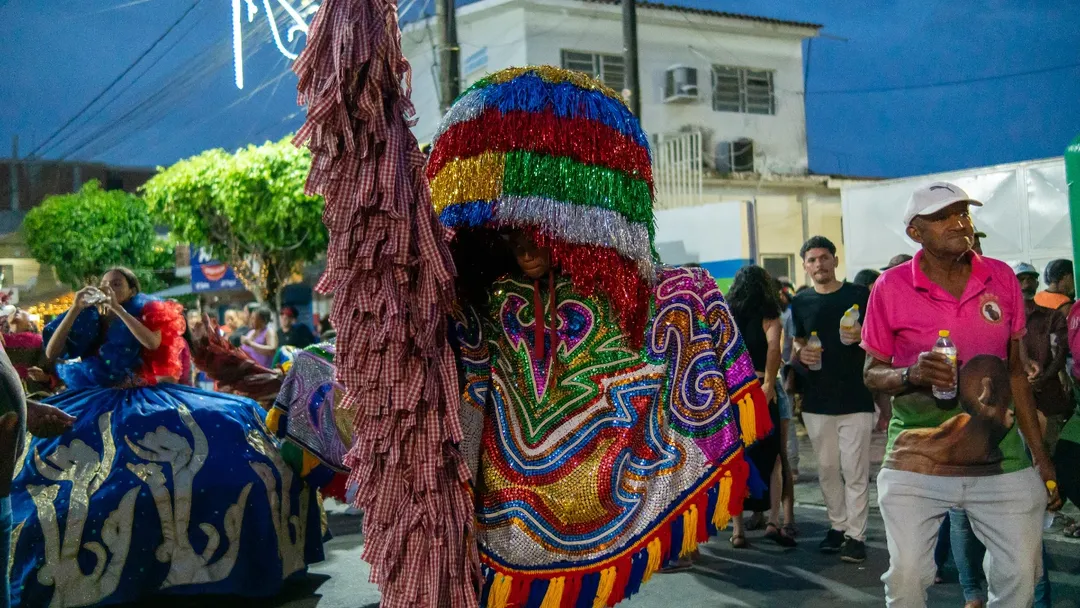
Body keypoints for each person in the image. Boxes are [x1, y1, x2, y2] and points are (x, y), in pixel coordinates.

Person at [428, 66, 771, 604]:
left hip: (606, 482)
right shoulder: (489, 303)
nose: (525, 250)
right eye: (513, 237)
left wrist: (689, 300)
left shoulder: (616, 300)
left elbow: (658, 319)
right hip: (500, 503)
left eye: (536, 233)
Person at [8, 267, 324, 607]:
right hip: (90, 399)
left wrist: (117, 310)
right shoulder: (86, 317)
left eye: (117, 283)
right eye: (104, 284)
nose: (109, 287)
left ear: (131, 288)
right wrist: (74, 308)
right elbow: (53, 352)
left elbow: (152, 342)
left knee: (228, 424)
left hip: (139, 397)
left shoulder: (145, 310)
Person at [861, 182, 1060, 608]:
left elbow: (1015, 374)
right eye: (942, 216)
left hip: (1001, 459)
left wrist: (1041, 458)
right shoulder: (890, 287)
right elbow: (871, 373)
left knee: (1023, 574)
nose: (958, 223)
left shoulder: (1001, 277)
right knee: (908, 576)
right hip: (917, 460)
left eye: (962, 213)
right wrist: (910, 374)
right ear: (915, 232)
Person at [790, 235, 874, 563]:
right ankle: (837, 526)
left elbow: (879, 336)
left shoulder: (859, 295)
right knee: (827, 469)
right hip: (816, 399)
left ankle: (856, 535)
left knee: (855, 470)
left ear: (835, 261)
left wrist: (863, 334)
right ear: (805, 266)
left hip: (856, 395)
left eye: (824, 257)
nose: (819, 264)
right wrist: (801, 353)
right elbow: (796, 342)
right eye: (812, 260)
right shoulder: (800, 302)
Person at [728, 266, 797, 548]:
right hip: (760, 388)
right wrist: (768, 384)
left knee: (734, 458)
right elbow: (773, 349)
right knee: (774, 457)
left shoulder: (726, 316)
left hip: (732, 391)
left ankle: (737, 530)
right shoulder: (770, 315)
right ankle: (774, 522)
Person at [1015, 263, 1070, 454]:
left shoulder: (1052, 317)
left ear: (1038, 283)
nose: (1026, 283)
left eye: (1031, 278)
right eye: (1021, 279)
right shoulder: (1005, 320)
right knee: (1026, 453)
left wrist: (1042, 379)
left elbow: (1060, 352)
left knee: (1048, 452)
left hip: (1049, 395)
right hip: (1018, 397)